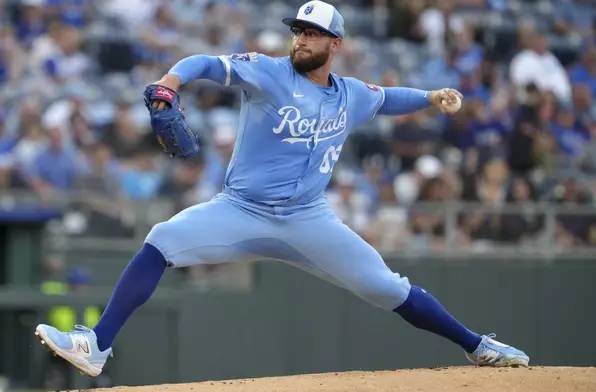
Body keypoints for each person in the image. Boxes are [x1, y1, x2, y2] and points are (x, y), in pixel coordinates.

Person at [34, 0, 529, 377]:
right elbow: (205, 63)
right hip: (241, 210)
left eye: (313, 33)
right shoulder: (268, 71)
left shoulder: (350, 94)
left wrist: (430, 96)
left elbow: (385, 99)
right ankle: (96, 345)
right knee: (161, 238)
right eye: (298, 30)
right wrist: (169, 84)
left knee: (385, 287)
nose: (301, 39)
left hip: (309, 219)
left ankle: (477, 345)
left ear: (335, 44)